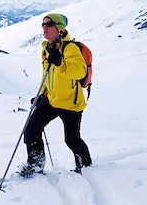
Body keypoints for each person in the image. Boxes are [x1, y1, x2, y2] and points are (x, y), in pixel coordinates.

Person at [18, 13, 92, 177]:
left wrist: (61, 63)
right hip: (51, 100)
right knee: (31, 131)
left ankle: (86, 166)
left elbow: (80, 71)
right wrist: (41, 95)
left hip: (71, 104)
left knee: (72, 140)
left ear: (59, 29)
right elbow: (47, 76)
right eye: (43, 24)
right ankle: (35, 165)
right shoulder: (46, 49)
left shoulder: (70, 48)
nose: (44, 28)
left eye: (48, 24)